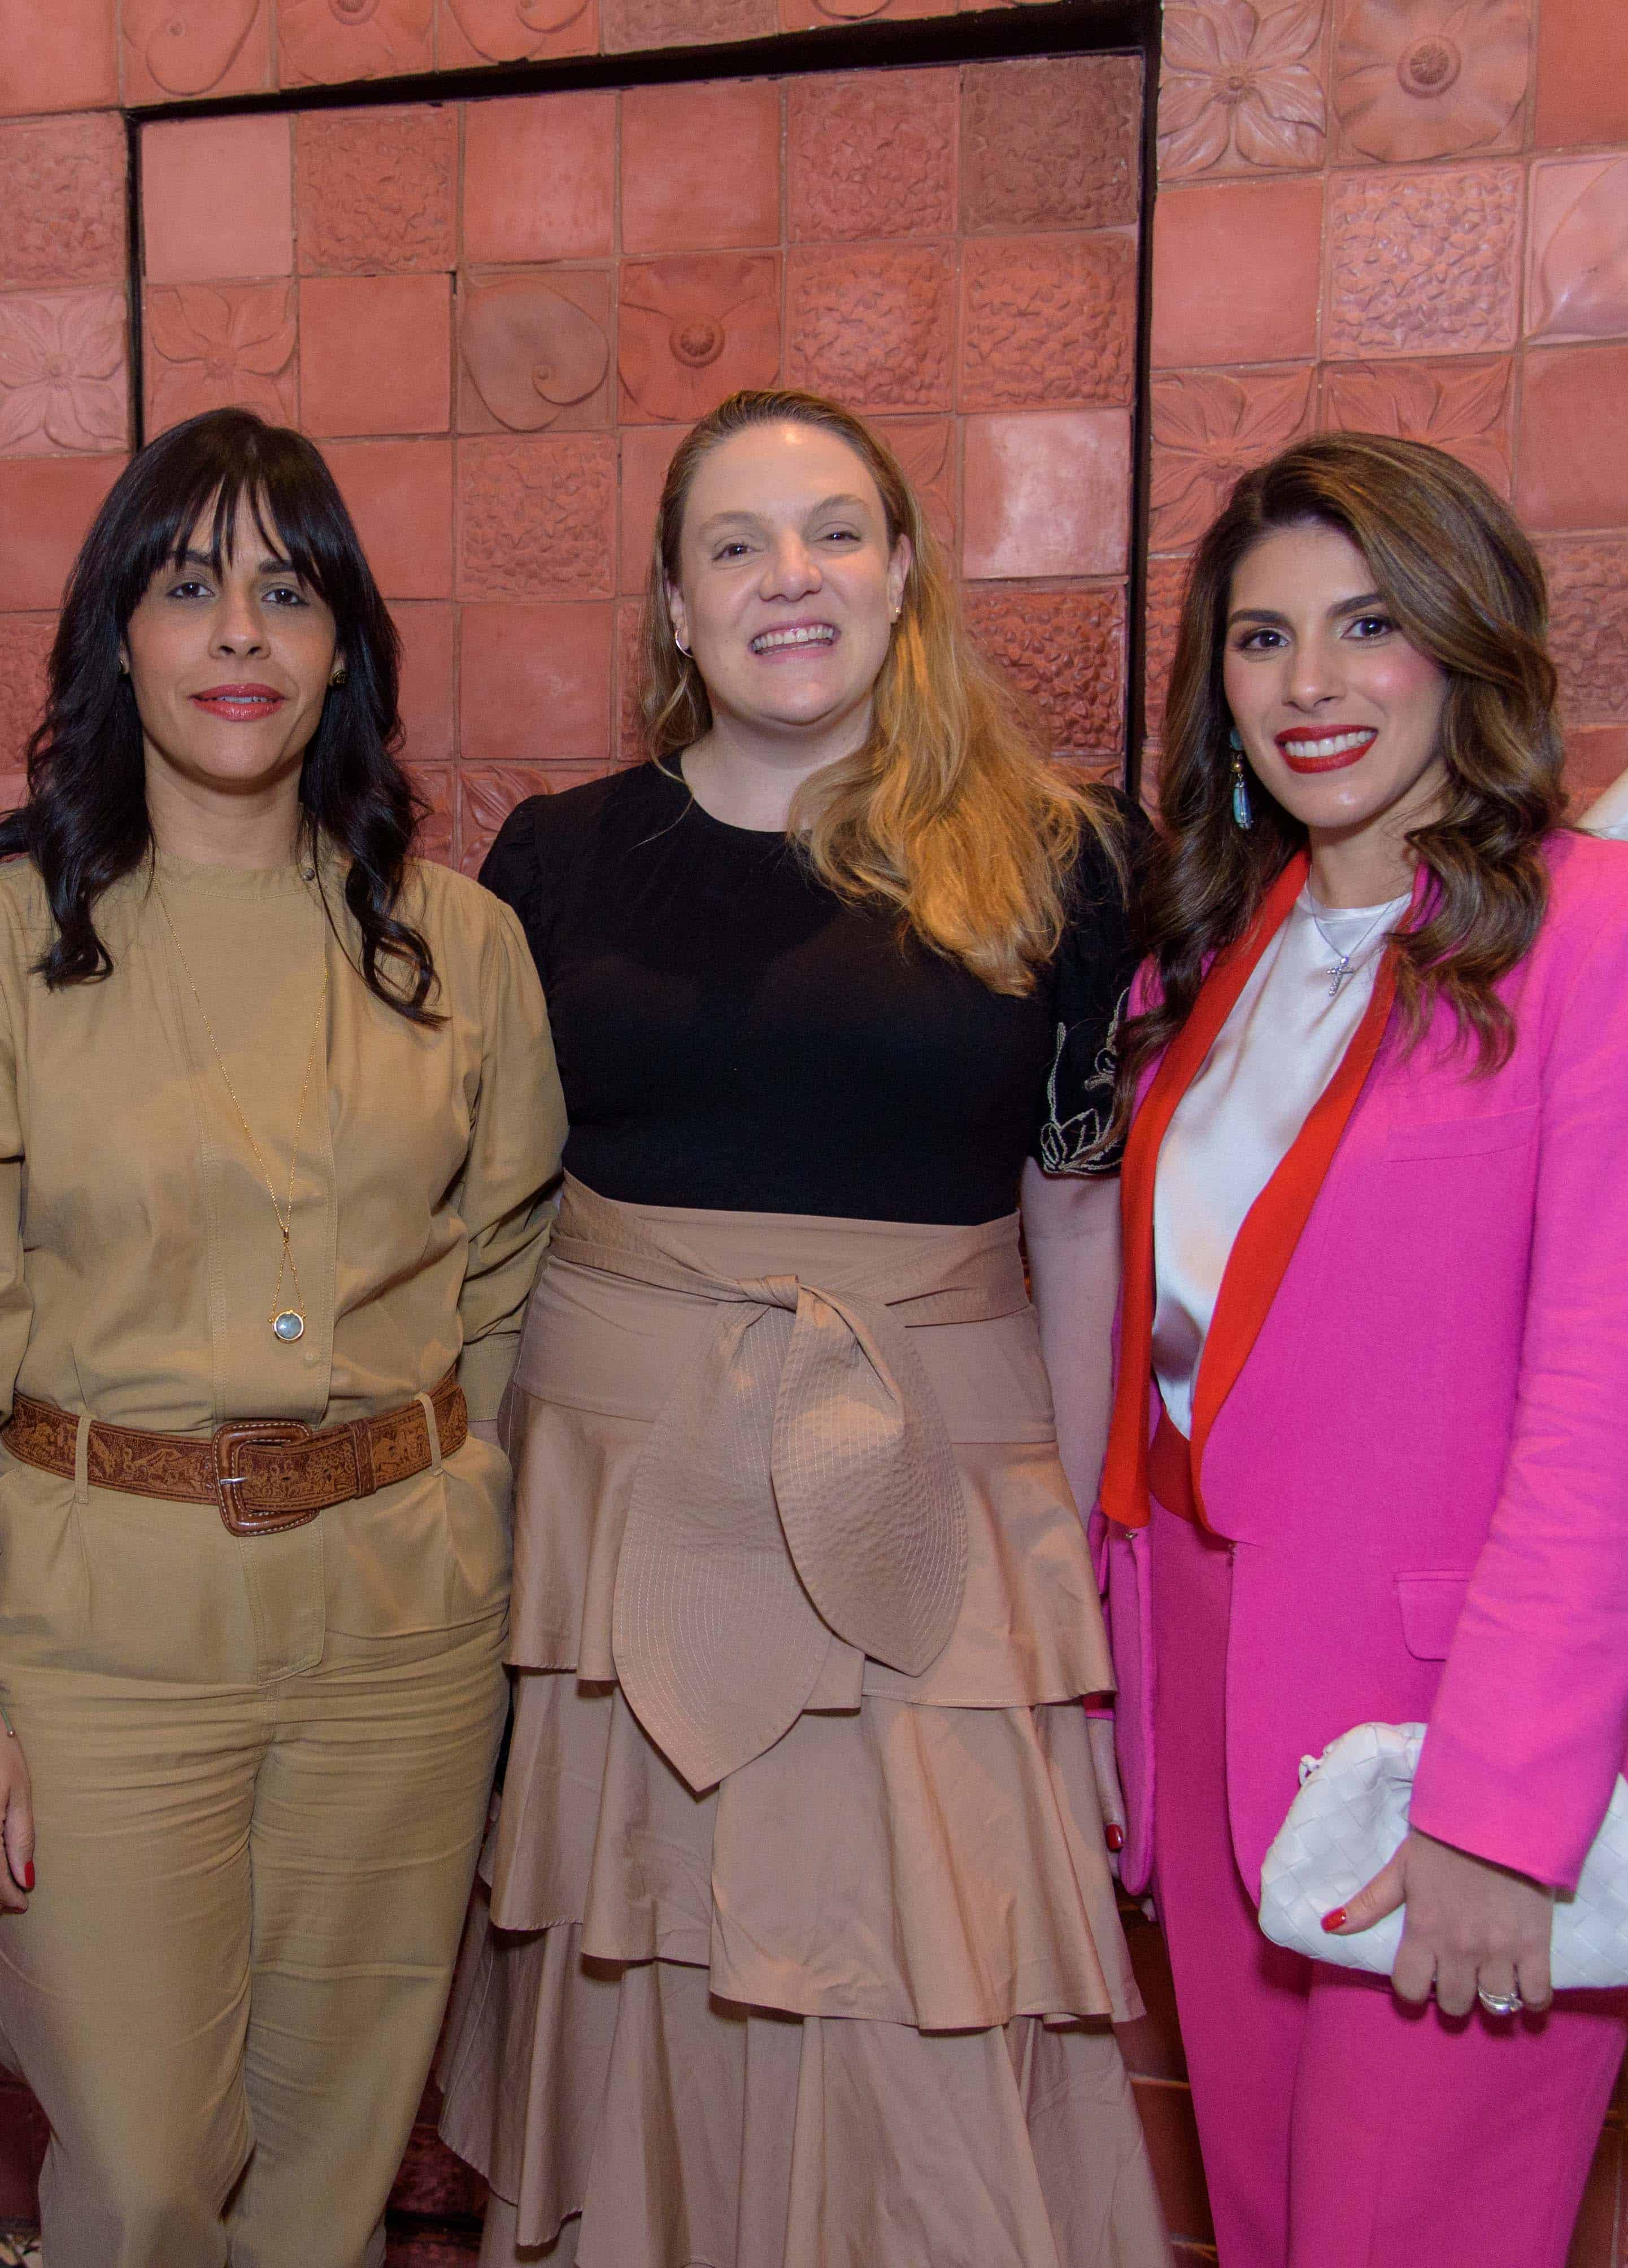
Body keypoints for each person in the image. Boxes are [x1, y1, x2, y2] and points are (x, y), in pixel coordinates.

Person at [436, 386, 1167, 2267]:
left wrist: (1076, 1574)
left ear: (904, 572)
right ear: (673, 609)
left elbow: (1077, 1227)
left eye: (835, 531)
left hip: (935, 1525)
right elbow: (489, 1218)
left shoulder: (1069, 857)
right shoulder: (550, 861)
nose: (792, 578)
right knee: (644, 1982)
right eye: (736, 545)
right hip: (610, 1525)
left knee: (920, 2003)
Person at [0, 407, 566, 2268]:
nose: (240, 635)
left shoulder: (463, 947)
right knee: (148, 2167)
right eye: (188, 589)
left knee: (333, 2163)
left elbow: (506, 1272)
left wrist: (445, 1500)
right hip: (98, 1641)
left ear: (344, 650)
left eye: (287, 591)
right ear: (119, 638)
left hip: (401, 1634)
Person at [1094, 433, 1628, 2268]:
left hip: (1445, 1760)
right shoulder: (1209, 958)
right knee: (1277, 2233)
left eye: (1368, 625)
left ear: (1466, 644)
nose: (1310, 685)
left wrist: (1502, 1816)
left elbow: (1610, 1428)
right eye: (1261, 637)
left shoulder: (1620, 932)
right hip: (1218, 1729)